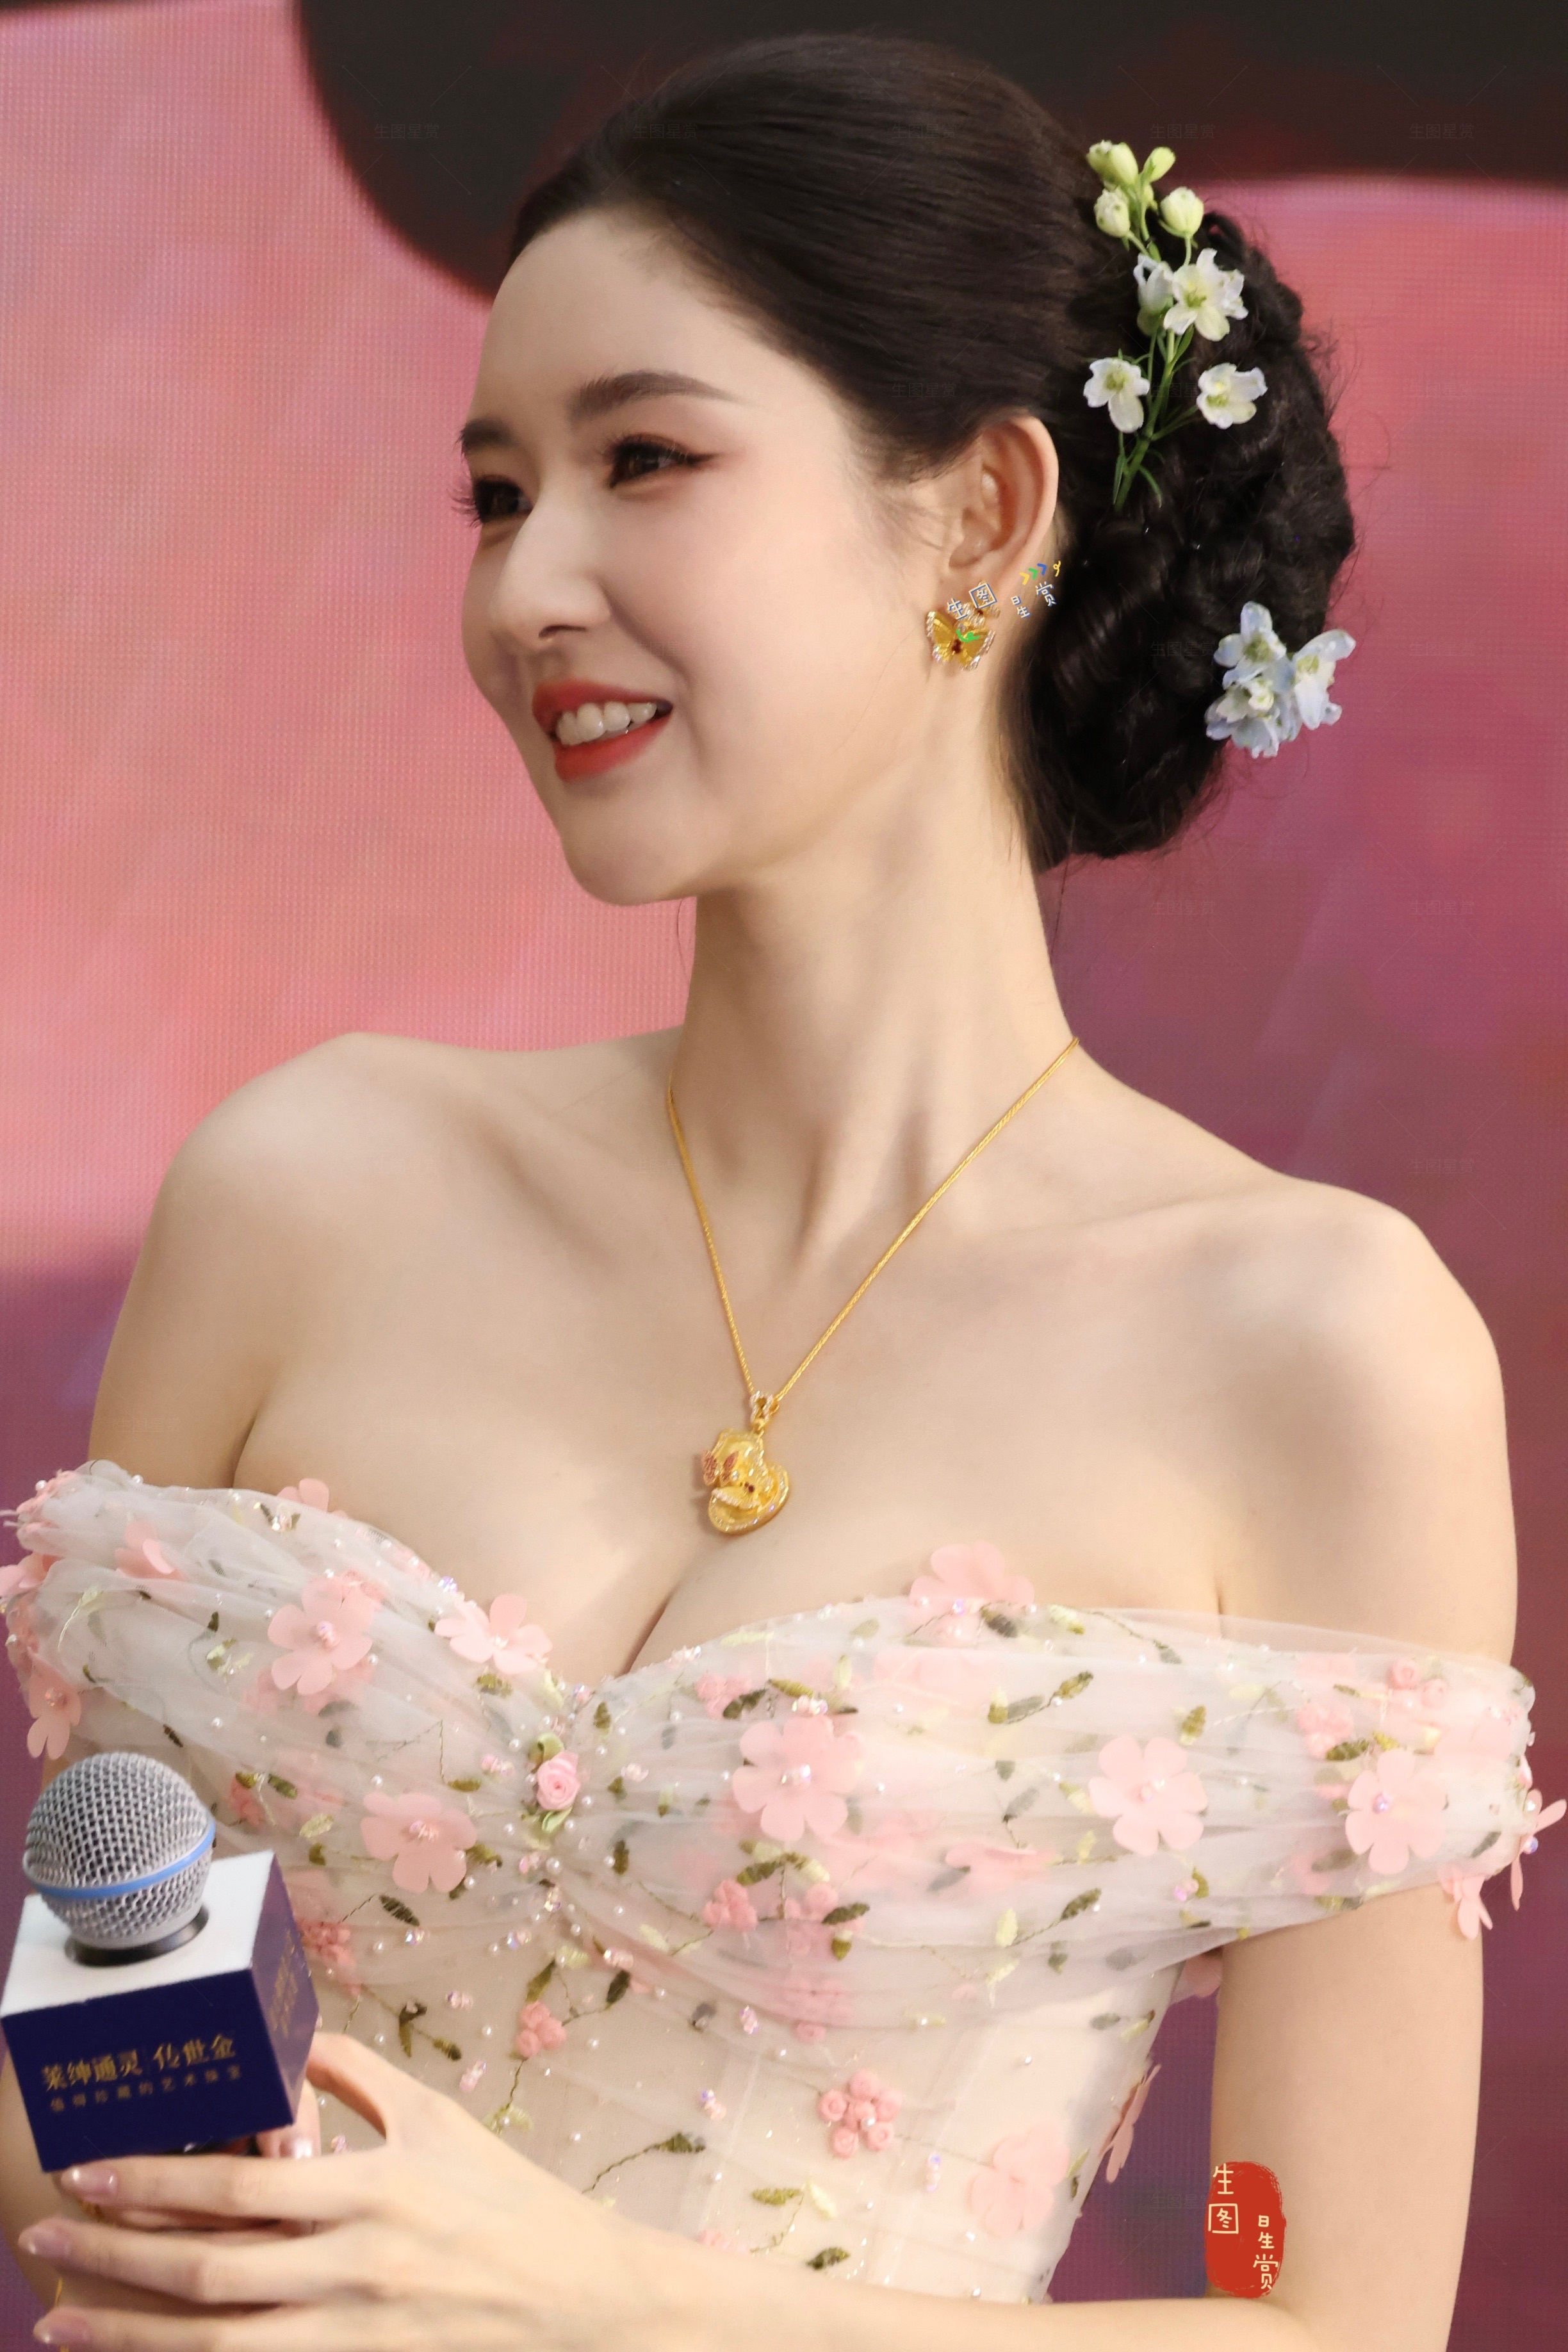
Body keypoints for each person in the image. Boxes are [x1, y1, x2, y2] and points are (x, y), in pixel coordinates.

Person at [1, 30, 1556, 2352]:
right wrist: (181, 2193)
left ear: (985, 515)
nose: (529, 587)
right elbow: (96, 2027)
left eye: (646, 458)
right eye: (496, 493)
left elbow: (1309, 2303)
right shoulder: (308, 1187)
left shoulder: (1315, 1349)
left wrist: (588, 2297)